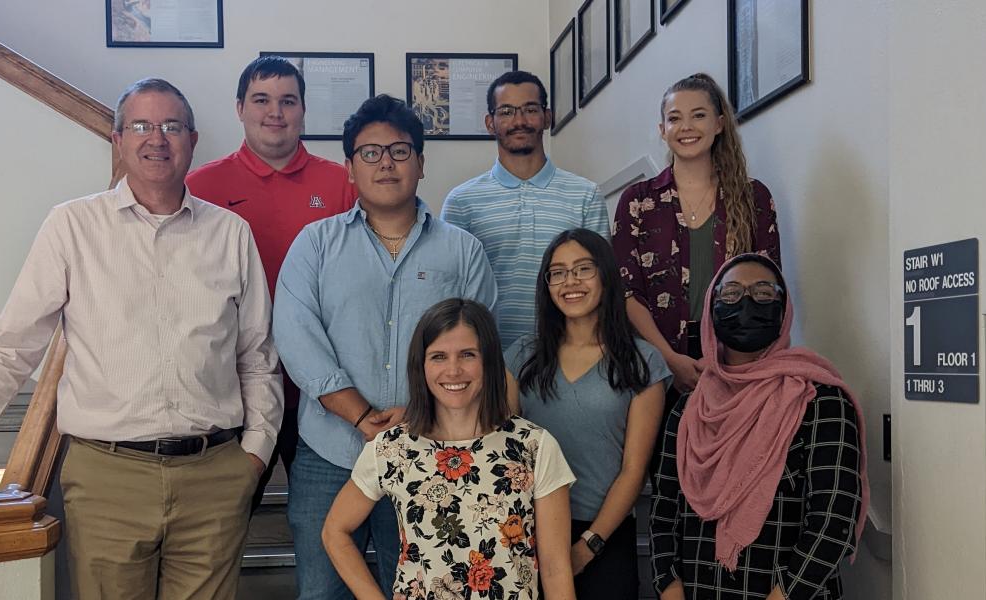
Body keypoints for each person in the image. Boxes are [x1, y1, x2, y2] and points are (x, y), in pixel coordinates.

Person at [0, 78, 283, 600]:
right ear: (118, 139)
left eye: (172, 126)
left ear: (193, 140)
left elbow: (257, 357)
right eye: (142, 126)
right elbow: (12, 344)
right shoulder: (72, 226)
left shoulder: (230, 233)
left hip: (214, 475)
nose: (158, 138)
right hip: (109, 476)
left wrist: (255, 455)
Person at [273, 94, 498, 600]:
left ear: (420, 162)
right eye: (370, 153)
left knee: (425, 587)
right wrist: (357, 414)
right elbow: (294, 331)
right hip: (329, 454)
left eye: (400, 151)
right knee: (322, 591)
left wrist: (423, 412)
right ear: (349, 168)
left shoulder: (462, 250)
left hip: (433, 451)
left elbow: (479, 346)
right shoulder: (316, 244)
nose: (386, 163)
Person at [323, 298, 578, 600]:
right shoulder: (393, 448)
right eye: (439, 356)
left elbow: (555, 568)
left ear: (490, 361)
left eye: (468, 355)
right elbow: (334, 531)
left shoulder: (532, 445)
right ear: (421, 365)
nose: (453, 370)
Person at [649, 253, 869, 600]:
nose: (747, 303)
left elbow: (833, 522)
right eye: (731, 294)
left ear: (783, 312)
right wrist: (670, 587)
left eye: (764, 294)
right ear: (711, 309)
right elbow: (664, 510)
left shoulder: (819, 400)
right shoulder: (690, 408)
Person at [187, 55, 356, 507]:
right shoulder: (201, 186)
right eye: (261, 100)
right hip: (233, 388)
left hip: (323, 391)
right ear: (240, 107)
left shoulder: (342, 183)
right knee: (222, 525)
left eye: (288, 101)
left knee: (328, 523)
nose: (275, 112)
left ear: (303, 110)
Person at [505, 228, 671, 599]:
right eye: (558, 272)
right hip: (529, 531)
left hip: (605, 535)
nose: (570, 282)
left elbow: (634, 469)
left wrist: (588, 545)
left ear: (606, 276)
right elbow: (501, 452)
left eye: (583, 269)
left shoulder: (642, 362)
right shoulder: (521, 356)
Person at [612, 73, 780, 398]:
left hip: (738, 365)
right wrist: (669, 359)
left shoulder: (754, 198)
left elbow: (768, 289)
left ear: (719, 124)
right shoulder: (637, 201)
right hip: (655, 367)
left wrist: (728, 362)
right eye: (674, 118)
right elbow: (626, 293)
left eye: (698, 115)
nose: (686, 127)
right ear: (663, 130)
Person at [443, 70, 610, 349]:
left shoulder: (585, 195)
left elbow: (601, 284)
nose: (519, 121)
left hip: (568, 356)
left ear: (547, 117)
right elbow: (450, 290)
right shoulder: (462, 201)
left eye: (530, 110)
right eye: (506, 111)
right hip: (488, 358)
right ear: (490, 122)